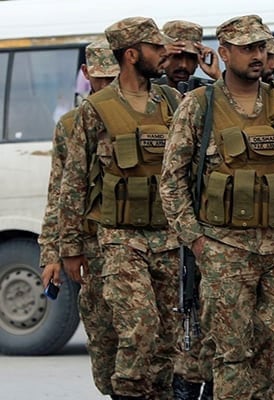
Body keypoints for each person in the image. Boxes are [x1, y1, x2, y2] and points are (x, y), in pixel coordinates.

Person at [159, 14, 274, 400]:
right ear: (224, 53)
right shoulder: (199, 105)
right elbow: (172, 179)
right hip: (226, 246)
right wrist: (196, 240)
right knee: (233, 351)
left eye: (261, 47)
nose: (257, 55)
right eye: (248, 48)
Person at [58, 17, 182, 400]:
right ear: (132, 54)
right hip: (119, 238)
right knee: (139, 325)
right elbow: (73, 182)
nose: (165, 54)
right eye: (156, 48)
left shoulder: (173, 103)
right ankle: (126, 392)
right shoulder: (96, 110)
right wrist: (70, 248)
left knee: (166, 338)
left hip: (168, 236)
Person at [39, 37, 119, 397]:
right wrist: (52, 254)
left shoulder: (143, 116)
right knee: (103, 344)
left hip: (135, 242)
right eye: (99, 79)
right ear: (86, 75)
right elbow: (58, 193)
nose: (106, 86)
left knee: (145, 340)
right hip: (89, 248)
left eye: (113, 78)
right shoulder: (70, 126)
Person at [158, 20, 221, 90]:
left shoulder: (207, 91)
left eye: (191, 58)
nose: (183, 65)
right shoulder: (148, 89)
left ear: (198, 61)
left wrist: (217, 75)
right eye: (177, 56)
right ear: (165, 56)